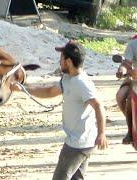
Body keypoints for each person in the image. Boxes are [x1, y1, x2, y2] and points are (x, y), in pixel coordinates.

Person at [11, 41, 108, 180]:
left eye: (61, 58)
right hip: (81, 141)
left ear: (68, 61)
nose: (59, 61)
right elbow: (50, 91)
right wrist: (24, 89)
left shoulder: (82, 83)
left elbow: (98, 105)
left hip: (78, 143)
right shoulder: (68, 78)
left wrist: (102, 133)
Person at [115, 36, 137, 144]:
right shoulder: (133, 44)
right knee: (121, 96)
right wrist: (121, 71)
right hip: (134, 80)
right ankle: (131, 128)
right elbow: (125, 64)